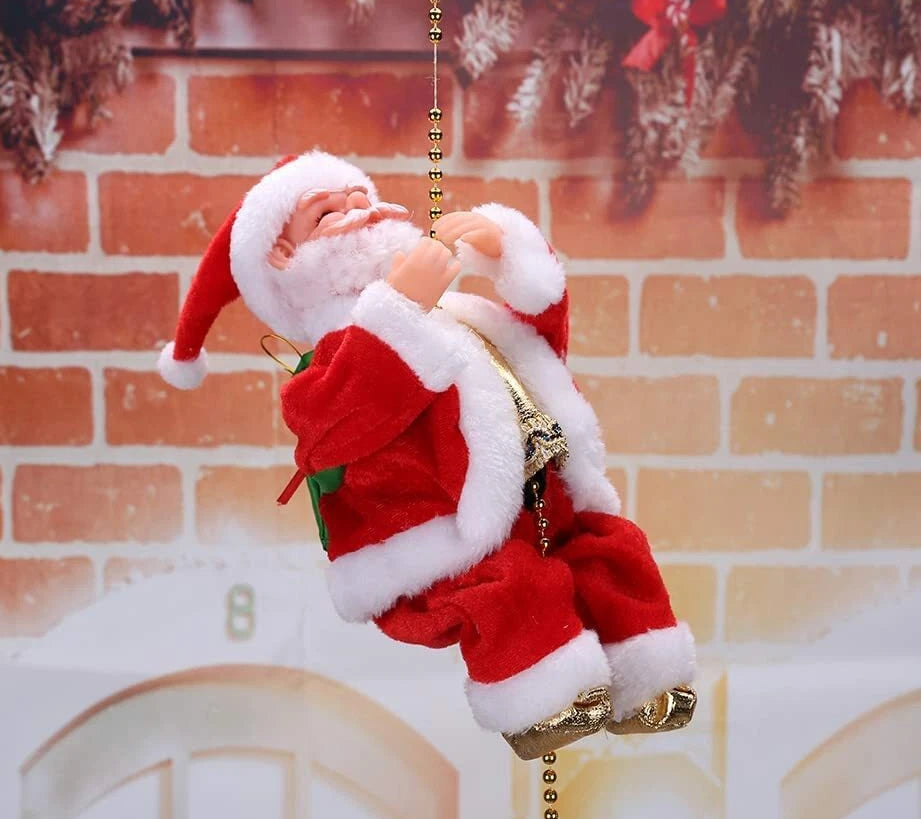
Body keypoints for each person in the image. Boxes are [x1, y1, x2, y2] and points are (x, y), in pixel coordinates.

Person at [159, 150, 695, 754]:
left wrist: (508, 254)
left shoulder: (456, 315)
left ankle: (646, 678)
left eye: (363, 198)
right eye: (330, 211)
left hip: (542, 500)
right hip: (442, 542)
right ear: (284, 257)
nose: (362, 213)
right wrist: (397, 308)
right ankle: (545, 700)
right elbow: (340, 422)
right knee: (509, 590)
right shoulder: (335, 360)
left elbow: (540, 346)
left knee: (613, 551)